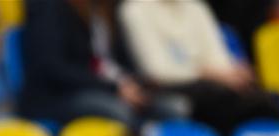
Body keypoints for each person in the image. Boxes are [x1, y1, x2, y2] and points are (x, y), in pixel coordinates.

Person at [119, 0, 279, 136]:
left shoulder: (197, 7)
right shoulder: (135, 10)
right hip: (167, 87)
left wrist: (232, 73)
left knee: (264, 99)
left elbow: (218, 58)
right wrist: (207, 73)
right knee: (229, 101)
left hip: (210, 84)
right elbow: (156, 70)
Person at [18, 0, 186, 128]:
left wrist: (135, 83)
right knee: (118, 112)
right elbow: (53, 68)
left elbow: (119, 62)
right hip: (59, 96)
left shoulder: (107, 8)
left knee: (172, 107)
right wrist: (114, 89)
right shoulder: (48, 6)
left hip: (107, 90)